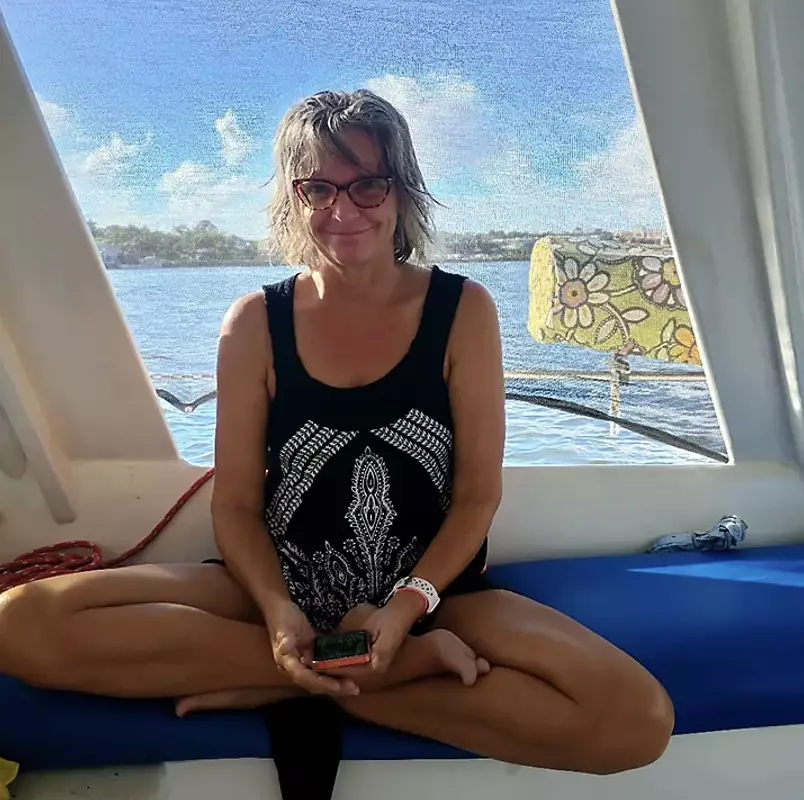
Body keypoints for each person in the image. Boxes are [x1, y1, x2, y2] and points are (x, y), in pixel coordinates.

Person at [0, 89, 673, 775]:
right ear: (294, 199)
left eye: (367, 185)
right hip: (281, 589)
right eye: (318, 188)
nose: (343, 211)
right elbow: (236, 506)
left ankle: (299, 681)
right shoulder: (254, 325)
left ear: (402, 191)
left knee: (634, 721)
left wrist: (406, 608)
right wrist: (278, 615)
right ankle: (359, 672)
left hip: (434, 598)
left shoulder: (463, 310)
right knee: (20, 623)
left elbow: (476, 497)